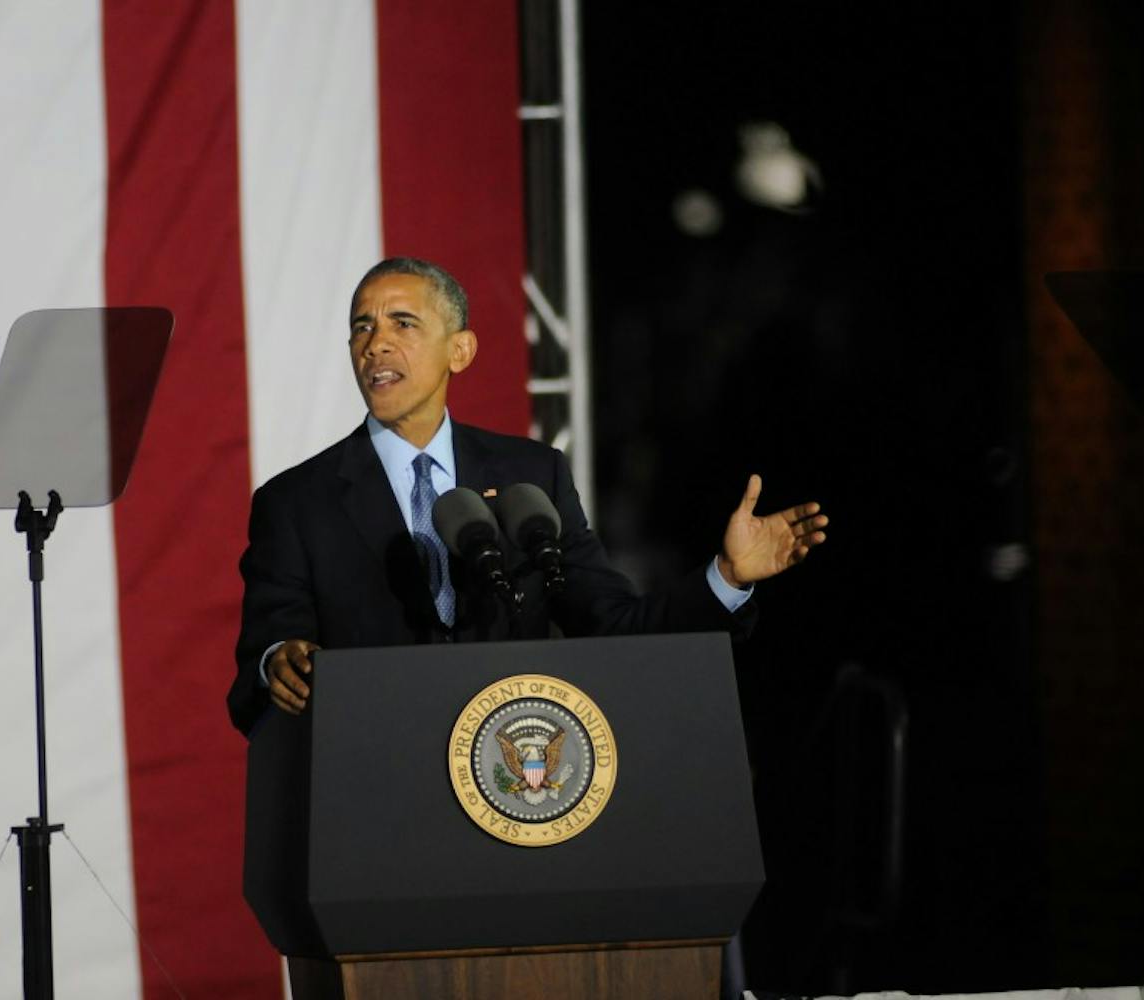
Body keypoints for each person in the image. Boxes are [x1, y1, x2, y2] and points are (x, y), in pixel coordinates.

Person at [227, 257, 827, 736]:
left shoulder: (533, 475)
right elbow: (265, 655)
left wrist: (726, 577)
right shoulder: (296, 502)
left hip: (515, 780)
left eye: (402, 323)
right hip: (374, 781)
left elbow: (613, 625)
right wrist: (278, 662)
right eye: (362, 326)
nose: (375, 343)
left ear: (460, 350)